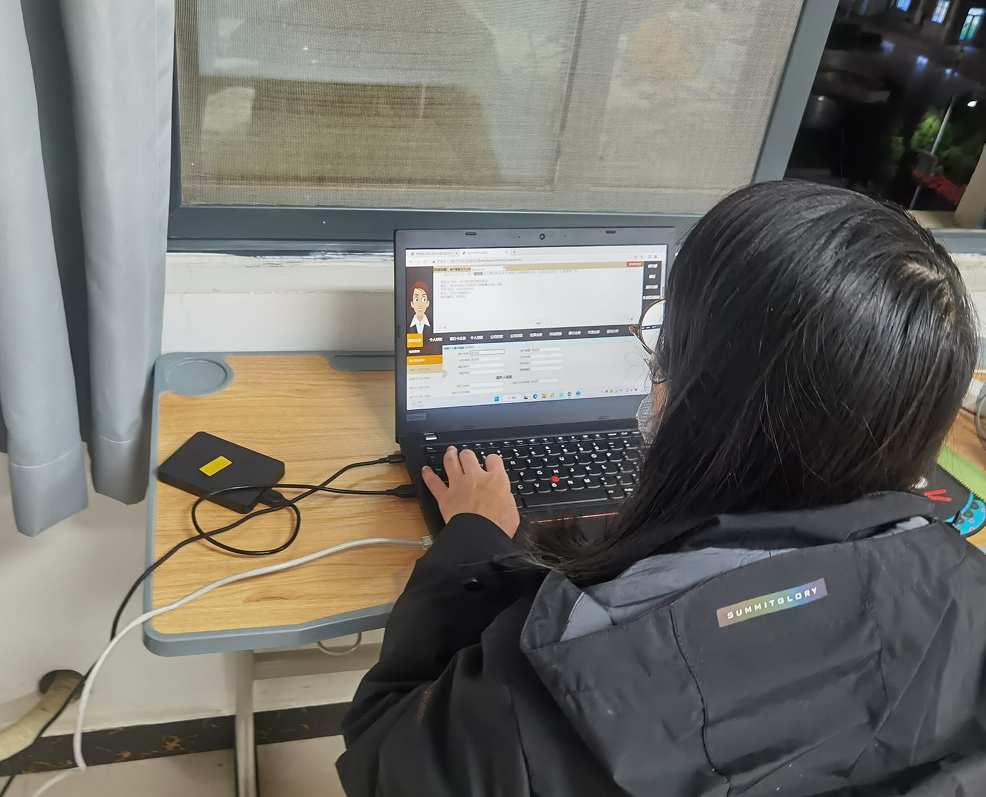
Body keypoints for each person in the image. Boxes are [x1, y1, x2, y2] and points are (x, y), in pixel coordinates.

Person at [336, 181, 986, 796]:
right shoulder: (968, 593)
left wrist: (471, 546)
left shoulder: (571, 672)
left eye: (666, 340)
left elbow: (382, 752)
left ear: (701, 399)